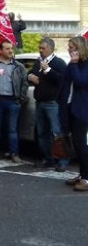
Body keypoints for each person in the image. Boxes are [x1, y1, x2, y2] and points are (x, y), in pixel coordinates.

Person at [0, 40, 29, 163]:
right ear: (0, 50)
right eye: (7, 49)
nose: (10, 51)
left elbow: (24, 83)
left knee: (12, 129)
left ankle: (14, 153)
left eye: (11, 49)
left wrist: (21, 98)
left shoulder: (18, 66)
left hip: (13, 101)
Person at [28, 37, 68, 171]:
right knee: (42, 133)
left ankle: (62, 160)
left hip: (53, 102)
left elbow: (63, 80)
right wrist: (30, 76)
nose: (40, 51)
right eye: (39, 48)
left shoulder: (59, 63)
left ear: (51, 48)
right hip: (40, 102)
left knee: (56, 133)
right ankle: (48, 158)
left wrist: (49, 70)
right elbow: (31, 72)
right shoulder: (38, 62)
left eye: (43, 48)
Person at [60, 36, 88, 191]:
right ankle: (81, 174)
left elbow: (81, 82)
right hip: (70, 107)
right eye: (69, 47)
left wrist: (75, 64)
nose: (69, 49)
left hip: (82, 109)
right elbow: (65, 84)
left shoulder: (84, 64)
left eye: (72, 47)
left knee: (81, 144)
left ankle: (86, 178)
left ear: (80, 48)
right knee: (75, 143)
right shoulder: (72, 64)